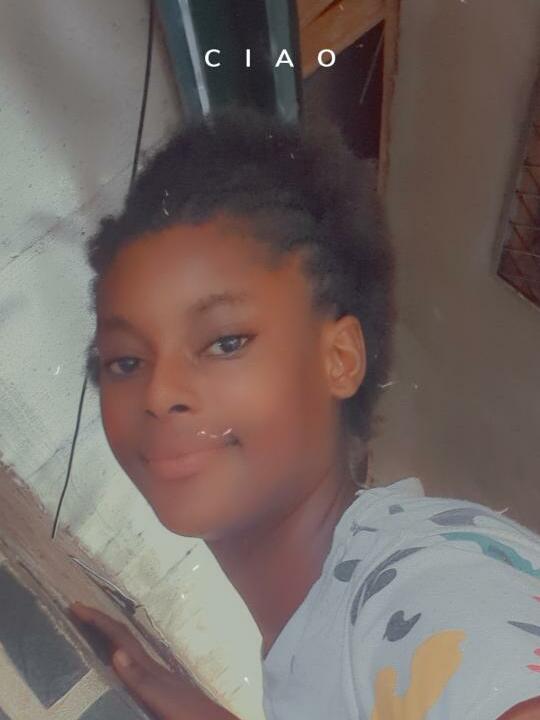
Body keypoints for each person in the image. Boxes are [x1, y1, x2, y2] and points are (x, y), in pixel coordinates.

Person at [70, 109, 540, 720]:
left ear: (339, 359)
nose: (159, 393)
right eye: (127, 361)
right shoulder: (328, 618)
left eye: (226, 342)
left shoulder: (416, 582)